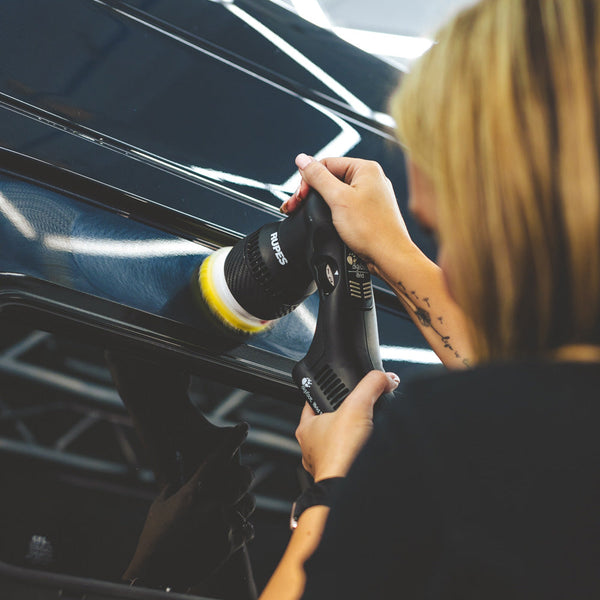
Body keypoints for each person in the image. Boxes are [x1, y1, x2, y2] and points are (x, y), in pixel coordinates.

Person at [260, 0, 600, 598]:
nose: (452, 270)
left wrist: (333, 486)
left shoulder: (449, 446)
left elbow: (526, 415)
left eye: (450, 229)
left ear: (523, 206)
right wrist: (392, 249)